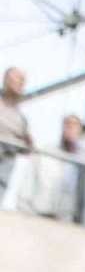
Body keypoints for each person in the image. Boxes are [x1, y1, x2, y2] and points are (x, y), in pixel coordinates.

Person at [12, 111, 85, 218]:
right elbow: (28, 182)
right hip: (36, 214)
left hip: (64, 220)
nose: (70, 128)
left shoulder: (83, 162)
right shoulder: (45, 153)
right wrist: (23, 210)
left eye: (74, 125)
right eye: (67, 124)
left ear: (81, 130)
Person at [0, 64, 31, 195]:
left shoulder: (21, 118)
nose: (21, 83)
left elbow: (26, 149)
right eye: (18, 78)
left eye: (23, 80)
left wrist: (28, 143)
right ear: (6, 80)